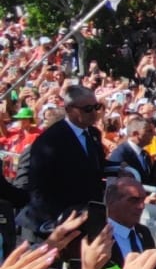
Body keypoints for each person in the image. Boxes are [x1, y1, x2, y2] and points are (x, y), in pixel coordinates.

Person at [27, 84, 107, 229]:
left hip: (89, 213)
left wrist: (120, 168)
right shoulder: (51, 140)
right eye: (87, 109)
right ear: (69, 109)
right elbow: (38, 184)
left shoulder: (93, 134)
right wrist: (50, 222)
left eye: (96, 107)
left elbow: (97, 165)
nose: (94, 113)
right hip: (61, 216)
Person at [107, 115, 155, 183]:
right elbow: (113, 183)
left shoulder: (145, 155)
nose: (153, 134)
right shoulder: (120, 154)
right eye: (149, 131)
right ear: (135, 134)